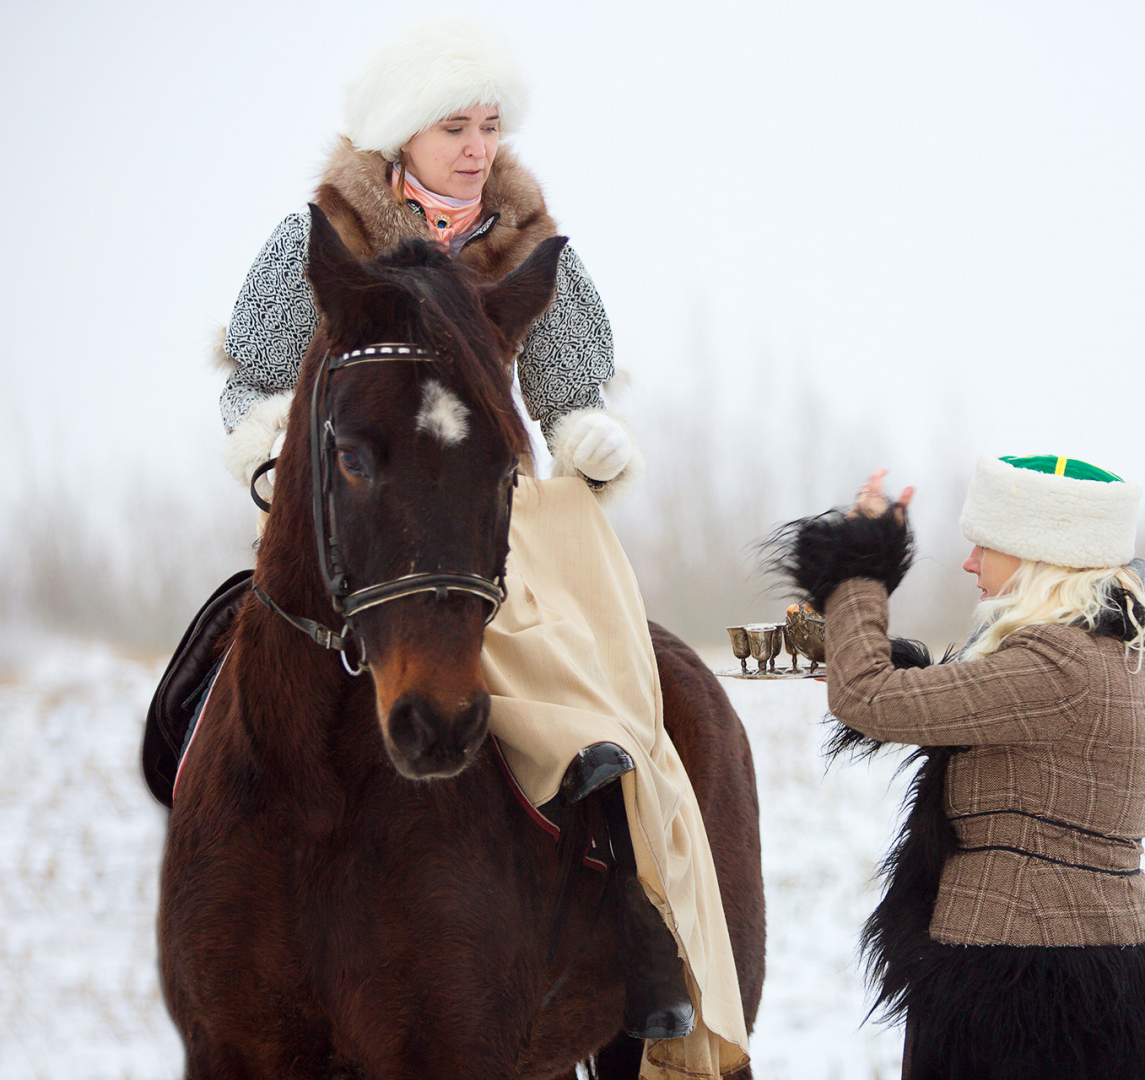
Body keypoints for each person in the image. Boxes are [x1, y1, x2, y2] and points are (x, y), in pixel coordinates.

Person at [205, 19, 747, 1079]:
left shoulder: (528, 234)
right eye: (454, 125)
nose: (476, 147)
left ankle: (635, 916)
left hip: (482, 512)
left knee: (592, 694)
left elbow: (573, 383)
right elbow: (250, 373)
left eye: (489, 125)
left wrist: (585, 430)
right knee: (226, 675)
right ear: (401, 132)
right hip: (346, 510)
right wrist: (267, 441)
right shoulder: (318, 233)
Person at [777, 456, 1145, 1079]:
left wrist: (858, 569)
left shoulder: (1059, 664)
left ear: (1038, 554)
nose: (969, 562)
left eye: (985, 546)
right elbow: (937, 697)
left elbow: (868, 700)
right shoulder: (1098, 655)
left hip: (1022, 998)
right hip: (1073, 982)